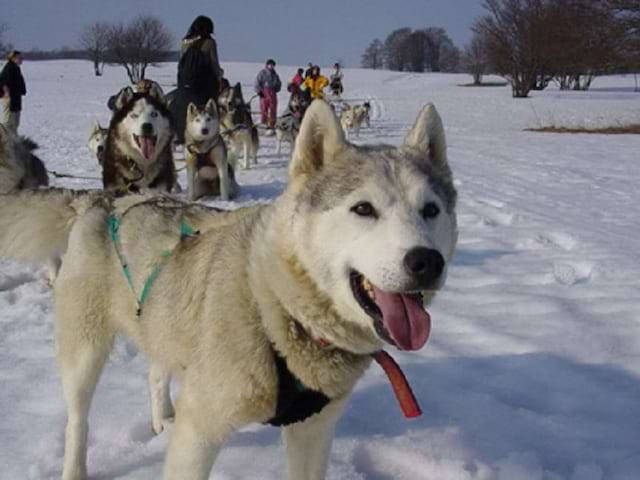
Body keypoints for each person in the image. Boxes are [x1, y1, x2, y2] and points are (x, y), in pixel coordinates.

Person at [170, 15, 222, 144]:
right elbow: (214, 63)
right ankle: (206, 140)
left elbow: (181, 62)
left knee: (188, 112)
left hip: (185, 84)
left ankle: (183, 137)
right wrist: (219, 76)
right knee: (208, 112)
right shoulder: (209, 42)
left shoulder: (185, 41)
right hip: (205, 85)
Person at [0, 50, 27, 134]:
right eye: (19, 58)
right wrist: (5, 91)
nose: (21, 59)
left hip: (16, 98)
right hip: (9, 99)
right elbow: (1, 81)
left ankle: (13, 142)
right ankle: (4, 141)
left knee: (15, 123)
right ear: (13, 58)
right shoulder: (9, 67)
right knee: (8, 122)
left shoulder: (16, 68)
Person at [254, 59, 282, 130]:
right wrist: (259, 91)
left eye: (272, 65)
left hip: (273, 93)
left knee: (273, 108)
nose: (271, 66)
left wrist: (277, 88)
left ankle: (272, 124)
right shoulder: (262, 73)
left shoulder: (275, 74)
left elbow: (279, 83)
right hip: (264, 92)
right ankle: (264, 123)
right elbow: (257, 82)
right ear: (267, 65)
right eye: (270, 65)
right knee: (264, 108)